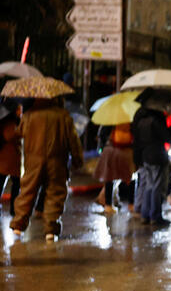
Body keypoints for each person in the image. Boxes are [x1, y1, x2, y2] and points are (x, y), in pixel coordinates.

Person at [10, 98, 84, 240]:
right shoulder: (63, 116)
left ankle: (19, 225)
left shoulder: (29, 115)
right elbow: (73, 140)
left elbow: (18, 133)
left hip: (33, 161)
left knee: (27, 191)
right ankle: (51, 228)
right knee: (55, 193)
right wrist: (77, 160)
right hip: (57, 161)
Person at [131, 99, 171, 227]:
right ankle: (155, 216)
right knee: (156, 186)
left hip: (146, 156)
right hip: (157, 156)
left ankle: (145, 215)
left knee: (149, 186)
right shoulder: (156, 121)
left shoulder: (141, 121)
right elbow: (168, 137)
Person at [93, 122, 134, 213]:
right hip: (127, 151)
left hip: (111, 150)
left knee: (110, 177)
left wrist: (102, 148)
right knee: (131, 178)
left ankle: (108, 204)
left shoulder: (110, 120)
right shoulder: (129, 120)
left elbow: (102, 135)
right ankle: (131, 204)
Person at [0, 104, 21, 217]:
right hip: (9, 160)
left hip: (8, 160)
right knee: (16, 185)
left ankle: (14, 209)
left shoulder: (7, 121)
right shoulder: (10, 123)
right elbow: (10, 136)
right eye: (18, 109)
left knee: (15, 185)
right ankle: (14, 209)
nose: (20, 111)